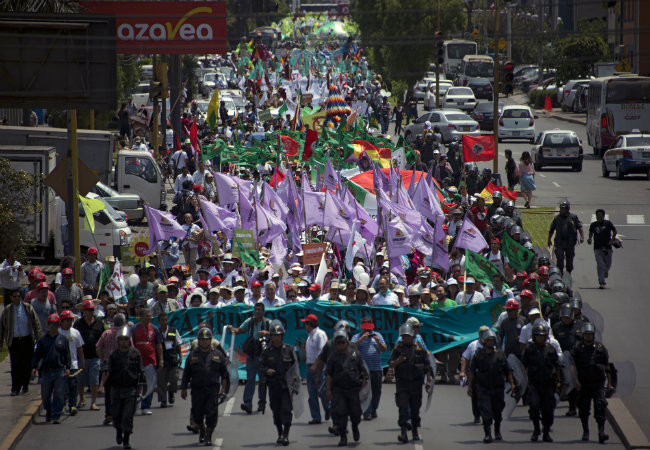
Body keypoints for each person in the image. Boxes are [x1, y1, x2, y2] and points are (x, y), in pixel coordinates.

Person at [181, 327, 230, 446]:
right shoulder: (192, 355)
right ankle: (201, 429)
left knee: (211, 413)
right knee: (197, 414)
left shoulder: (217, 355)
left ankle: (208, 435)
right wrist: (183, 388)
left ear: (211, 340)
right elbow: (186, 373)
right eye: (202, 340)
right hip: (197, 389)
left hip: (212, 389)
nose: (204, 342)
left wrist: (223, 389)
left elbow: (225, 374)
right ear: (198, 341)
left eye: (207, 339)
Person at [467, 329, 516, 443]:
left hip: (498, 388)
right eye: (488, 340)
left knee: (497, 411)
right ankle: (487, 434)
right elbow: (472, 371)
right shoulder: (478, 354)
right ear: (484, 341)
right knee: (486, 411)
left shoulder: (500, 354)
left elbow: (508, 370)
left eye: (492, 340)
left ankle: (497, 430)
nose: (490, 342)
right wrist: (470, 386)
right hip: (483, 388)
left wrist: (512, 384)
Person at [389, 322, 433, 443]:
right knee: (403, 409)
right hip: (402, 383)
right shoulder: (398, 348)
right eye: (403, 336)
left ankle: (414, 432)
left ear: (412, 336)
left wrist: (428, 381)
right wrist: (399, 360)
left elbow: (427, 365)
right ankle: (403, 433)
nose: (405, 338)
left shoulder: (419, 348)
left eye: (407, 336)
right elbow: (391, 363)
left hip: (416, 384)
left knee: (415, 409)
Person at [326, 329, 368, 447]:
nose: (340, 345)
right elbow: (329, 375)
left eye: (342, 342)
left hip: (353, 389)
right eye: (338, 343)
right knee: (341, 414)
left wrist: (363, 383)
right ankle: (343, 436)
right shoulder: (333, 357)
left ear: (347, 342)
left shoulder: (355, 354)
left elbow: (362, 370)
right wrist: (328, 390)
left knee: (356, 414)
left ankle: (355, 426)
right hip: (339, 390)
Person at [521, 323, 561, 442]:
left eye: (542, 336)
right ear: (534, 336)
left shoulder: (551, 349)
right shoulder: (529, 349)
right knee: (533, 407)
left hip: (548, 384)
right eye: (538, 336)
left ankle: (546, 432)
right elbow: (522, 366)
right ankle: (536, 429)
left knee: (548, 409)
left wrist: (559, 381)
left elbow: (557, 366)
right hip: (534, 384)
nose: (540, 338)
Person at [228, 302, 270, 414]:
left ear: (263, 311)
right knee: (250, 379)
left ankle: (262, 404)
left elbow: (278, 334)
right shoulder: (250, 322)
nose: (257, 312)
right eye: (255, 309)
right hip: (252, 354)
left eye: (259, 310)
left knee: (262, 381)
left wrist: (267, 333)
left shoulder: (267, 323)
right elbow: (239, 330)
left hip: (262, 355)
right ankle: (248, 403)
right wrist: (232, 329)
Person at [259, 320, 296, 446]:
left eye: (278, 335)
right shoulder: (266, 351)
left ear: (282, 336)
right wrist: (266, 370)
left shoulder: (289, 349)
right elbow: (261, 366)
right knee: (276, 411)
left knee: (286, 410)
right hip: (273, 386)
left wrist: (295, 386)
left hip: (286, 387)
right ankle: (279, 432)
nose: (276, 337)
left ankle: (286, 434)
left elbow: (295, 368)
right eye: (274, 335)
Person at [107, 326, 143, 449]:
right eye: (121, 339)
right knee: (116, 415)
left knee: (128, 416)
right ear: (118, 340)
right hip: (116, 389)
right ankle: (118, 430)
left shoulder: (135, 353)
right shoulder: (113, 354)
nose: (123, 342)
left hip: (130, 390)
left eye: (126, 339)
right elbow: (108, 371)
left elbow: (141, 372)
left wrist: (139, 389)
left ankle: (126, 439)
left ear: (129, 340)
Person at [0, 288, 42, 395]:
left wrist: (38, 338)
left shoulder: (27, 307)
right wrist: (1, 342)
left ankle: (25, 385)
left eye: (18, 296)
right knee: (15, 365)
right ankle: (15, 388)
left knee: (27, 364)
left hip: (27, 339)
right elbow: (2, 327)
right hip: (14, 341)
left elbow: (36, 323)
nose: (17, 298)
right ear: (10, 298)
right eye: (14, 296)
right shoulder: (7, 310)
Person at [32, 313, 71, 424]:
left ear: (59, 325)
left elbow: (67, 354)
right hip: (46, 371)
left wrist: (68, 367)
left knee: (59, 394)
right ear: (48, 325)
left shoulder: (63, 339)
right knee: (46, 395)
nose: (53, 326)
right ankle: (49, 411)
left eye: (55, 324)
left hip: (59, 370)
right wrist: (34, 367)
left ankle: (56, 415)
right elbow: (37, 354)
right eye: (51, 324)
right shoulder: (43, 339)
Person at [351, 317, 387, 420]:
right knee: (365, 391)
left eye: (369, 329)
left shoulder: (378, 335)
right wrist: (361, 339)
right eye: (365, 329)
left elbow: (384, 349)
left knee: (376, 391)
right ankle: (367, 411)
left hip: (376, 368)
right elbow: (350, 347)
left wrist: (378, 341)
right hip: (362, 369)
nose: (367, 331)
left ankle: (373, 409)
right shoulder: (356, 336)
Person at [74, 299, 105, 410]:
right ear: (83, 311)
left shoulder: (99, 323)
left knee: (94, 380)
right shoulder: (78, 324)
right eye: (87, 310)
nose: (90, 312)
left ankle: (93, 402)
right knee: (81, 380)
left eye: (91, 310)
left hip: (95, 356)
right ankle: (82, 399)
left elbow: (103, 339)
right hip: (82, 356)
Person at [132, 309, 163, 415]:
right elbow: (131, 344)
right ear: (141, 317)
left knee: (149, 384)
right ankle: (133, 404)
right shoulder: (134, 328)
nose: (149, 318)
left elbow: (158, 345)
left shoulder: (154, 329)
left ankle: (146, 406)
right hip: (137, 362)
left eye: (150, 316)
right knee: (135, 384)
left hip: (151, 361)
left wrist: (161, 360)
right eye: (146, 316)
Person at [301, 314, 329, 424]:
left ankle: (328, 408)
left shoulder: (320, 334)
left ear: (310, 324)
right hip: (309, 366)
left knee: (322, 391)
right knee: (311, 394)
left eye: (306, 323)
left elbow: (322, 352)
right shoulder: (309, 336)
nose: (305, 325)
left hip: (319, 367)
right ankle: (316, 417)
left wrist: (316, 365)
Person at [58, 309, 85, 415]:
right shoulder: (58, 333)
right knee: (63, 387)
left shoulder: (76, 332)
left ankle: (72, 405)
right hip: (61, 365)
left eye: (71, 320)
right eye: (67, 320)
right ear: (62, 321)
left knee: (73, 385)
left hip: (73, 364)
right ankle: (63, 404)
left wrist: (82, 362)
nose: (69, 322)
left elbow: (80, 349)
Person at [548, 200, 584, 275]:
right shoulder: (557, 218)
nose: (562, 210)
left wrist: (582, 237)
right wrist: (549, 240)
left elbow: (579, 227)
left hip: (570, 243)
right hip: (559, 242)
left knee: (569, 261)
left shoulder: (573, 217)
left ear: (567, 209)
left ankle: (568, 273)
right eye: (561, 208)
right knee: (560, 259)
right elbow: (551, 230)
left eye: (563, 208)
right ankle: (560, 274)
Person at [157, 311, 182, 408]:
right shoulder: (157, 332)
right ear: (159, 321)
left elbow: (178, 344)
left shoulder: (173, 330)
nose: (164, 322)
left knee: (174, 379)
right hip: (161, 360)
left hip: (172, 358)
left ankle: (171, 392)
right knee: (161, 381)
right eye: (162, 320)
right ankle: (163, 400)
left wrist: (180, 357)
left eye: (166, 320)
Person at [587, 209, 617, 289]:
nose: (598, 217)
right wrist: (589, 239)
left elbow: (614, 231)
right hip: (597, 247)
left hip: (607, 247)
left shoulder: (608, 223)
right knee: (600, 264)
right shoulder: (593, 225)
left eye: (600, 215)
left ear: (603, 216)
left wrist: (612, 240)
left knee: (608, 263)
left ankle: (605, 271)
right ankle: (601, 281)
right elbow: (591, 233)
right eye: (597, 215)